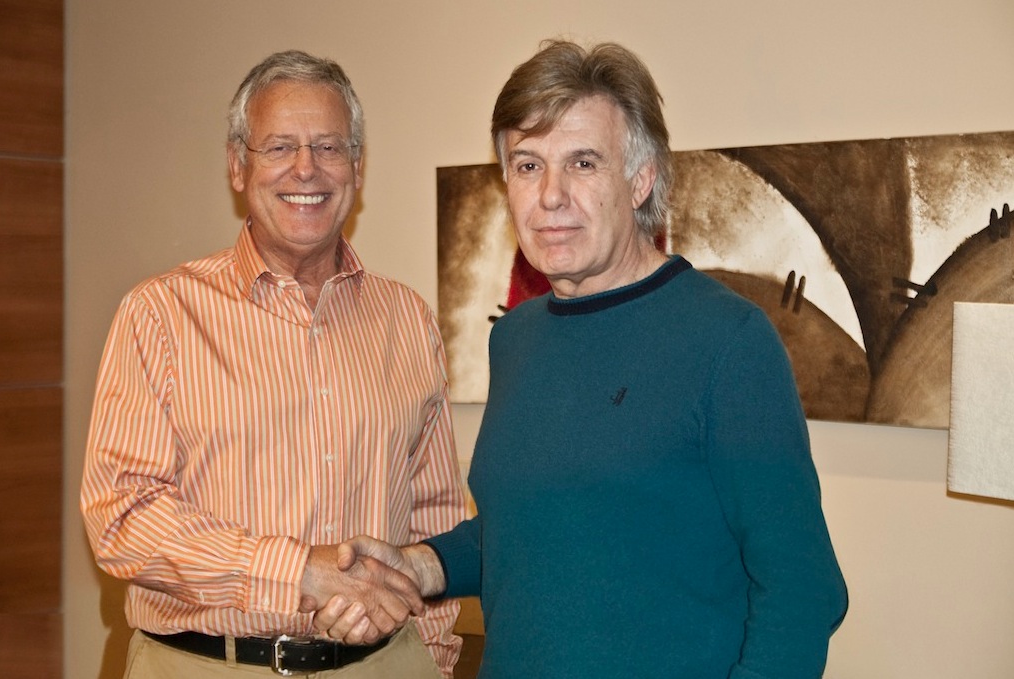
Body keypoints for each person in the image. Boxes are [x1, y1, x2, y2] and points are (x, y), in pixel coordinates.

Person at [318, 39, 849, 678]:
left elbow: (802, 591)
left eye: (583, 162)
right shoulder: (516, 337)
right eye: (528, 165)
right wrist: (418, 565)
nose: (551, 195)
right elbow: (531, 529)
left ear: (641, 178)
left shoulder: (728, 341)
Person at [80, 50, 467, 679]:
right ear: (238, 165)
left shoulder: (408, 319)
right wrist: (298, 573)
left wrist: (435, 661)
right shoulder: (160, 315)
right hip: (207, 664)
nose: (306, 168)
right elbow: (122, 518)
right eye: (279, 147)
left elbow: (436, 515)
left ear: (358, 166)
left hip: (386, 664)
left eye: (329, 147)